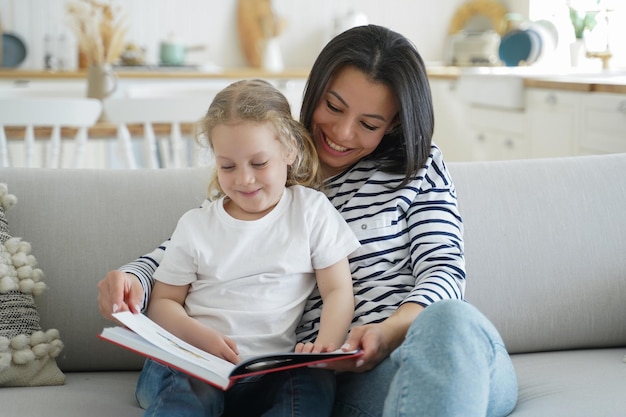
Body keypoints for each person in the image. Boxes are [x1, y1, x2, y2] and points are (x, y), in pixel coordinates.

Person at [98, 25, 518, 417]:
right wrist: (134, 277)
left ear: (392, 126)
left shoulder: (419, 167)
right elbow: (201, 245)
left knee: (450, 320)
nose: (342, 132)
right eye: (332, 106)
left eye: (368, 124)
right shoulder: (270, 166)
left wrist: (389, 331)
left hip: (426, 347)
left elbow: (443, 268)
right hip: (351, 379)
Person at [136, 79, 360, 417]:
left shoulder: (310, 211)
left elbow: (338, 288)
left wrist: (324, 347)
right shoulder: (196, 226)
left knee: (312, 383)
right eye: (228, 166)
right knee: (189, 388)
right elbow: (163, 303)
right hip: (193, 360)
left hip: (267, 372)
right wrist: (201, 338)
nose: (244, 179)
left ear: (289, 150)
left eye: (259, 163)